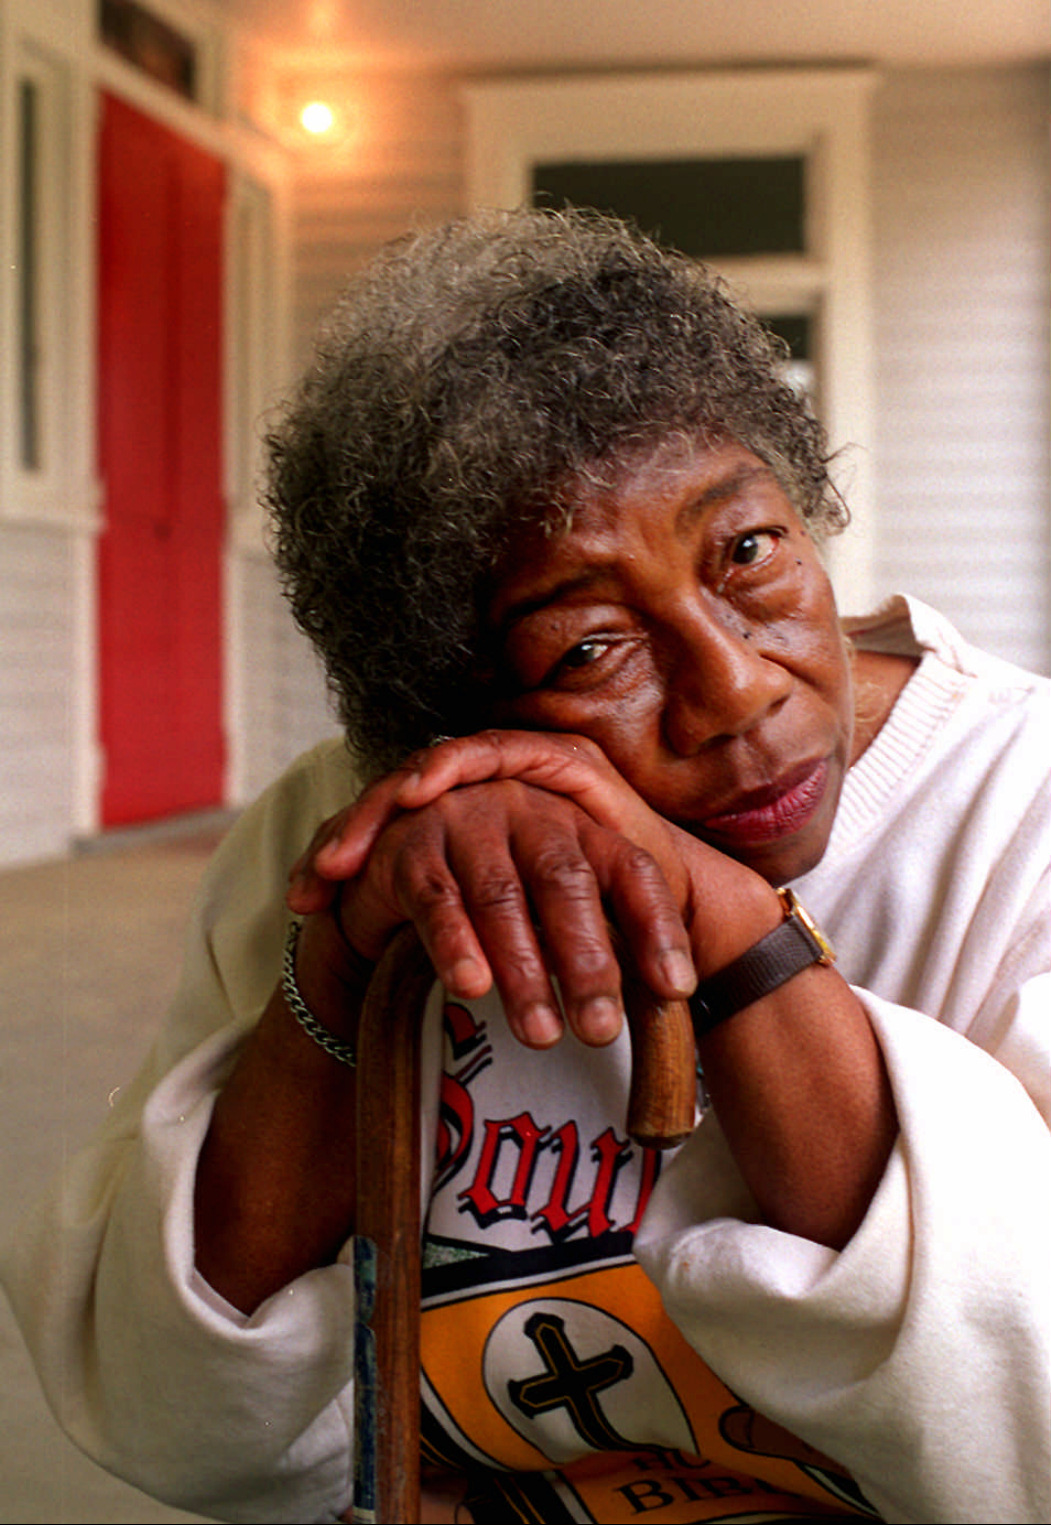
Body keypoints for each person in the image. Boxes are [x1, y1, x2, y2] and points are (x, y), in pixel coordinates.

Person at [3, 208, 1048, 1525]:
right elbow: (170, 1411)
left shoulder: (1019, 800)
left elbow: (1026, 1434)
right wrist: (346, 958)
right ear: (445, 707)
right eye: (589, 649)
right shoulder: (341, 837)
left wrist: (735, 933)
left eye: (748, 551)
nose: (734, 689)